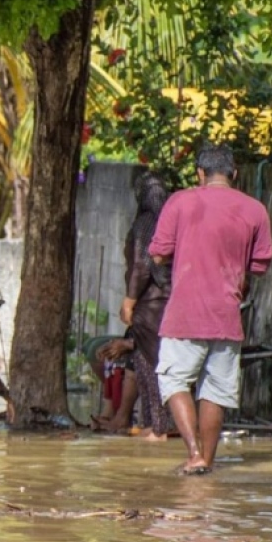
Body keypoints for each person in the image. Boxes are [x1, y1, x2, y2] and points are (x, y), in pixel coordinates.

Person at [148, 144, 272, 475]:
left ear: (200, 174)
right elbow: (259, 266)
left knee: (174, 380)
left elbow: (159, 254)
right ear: (234, 173)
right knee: (215, 390)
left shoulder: (180, 201)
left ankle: (193, 453)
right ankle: (208, 460)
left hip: (184, 314)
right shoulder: (255, 210)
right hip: (227, 316)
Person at [121, 172, 174, 440]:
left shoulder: (146, 223)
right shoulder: (169, 223)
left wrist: (129, 301)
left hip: (152, 304)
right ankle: (151, 423)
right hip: (156, 304)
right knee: (143, 364)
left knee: (153, 366)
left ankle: (161, 427)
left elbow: (142, 267)